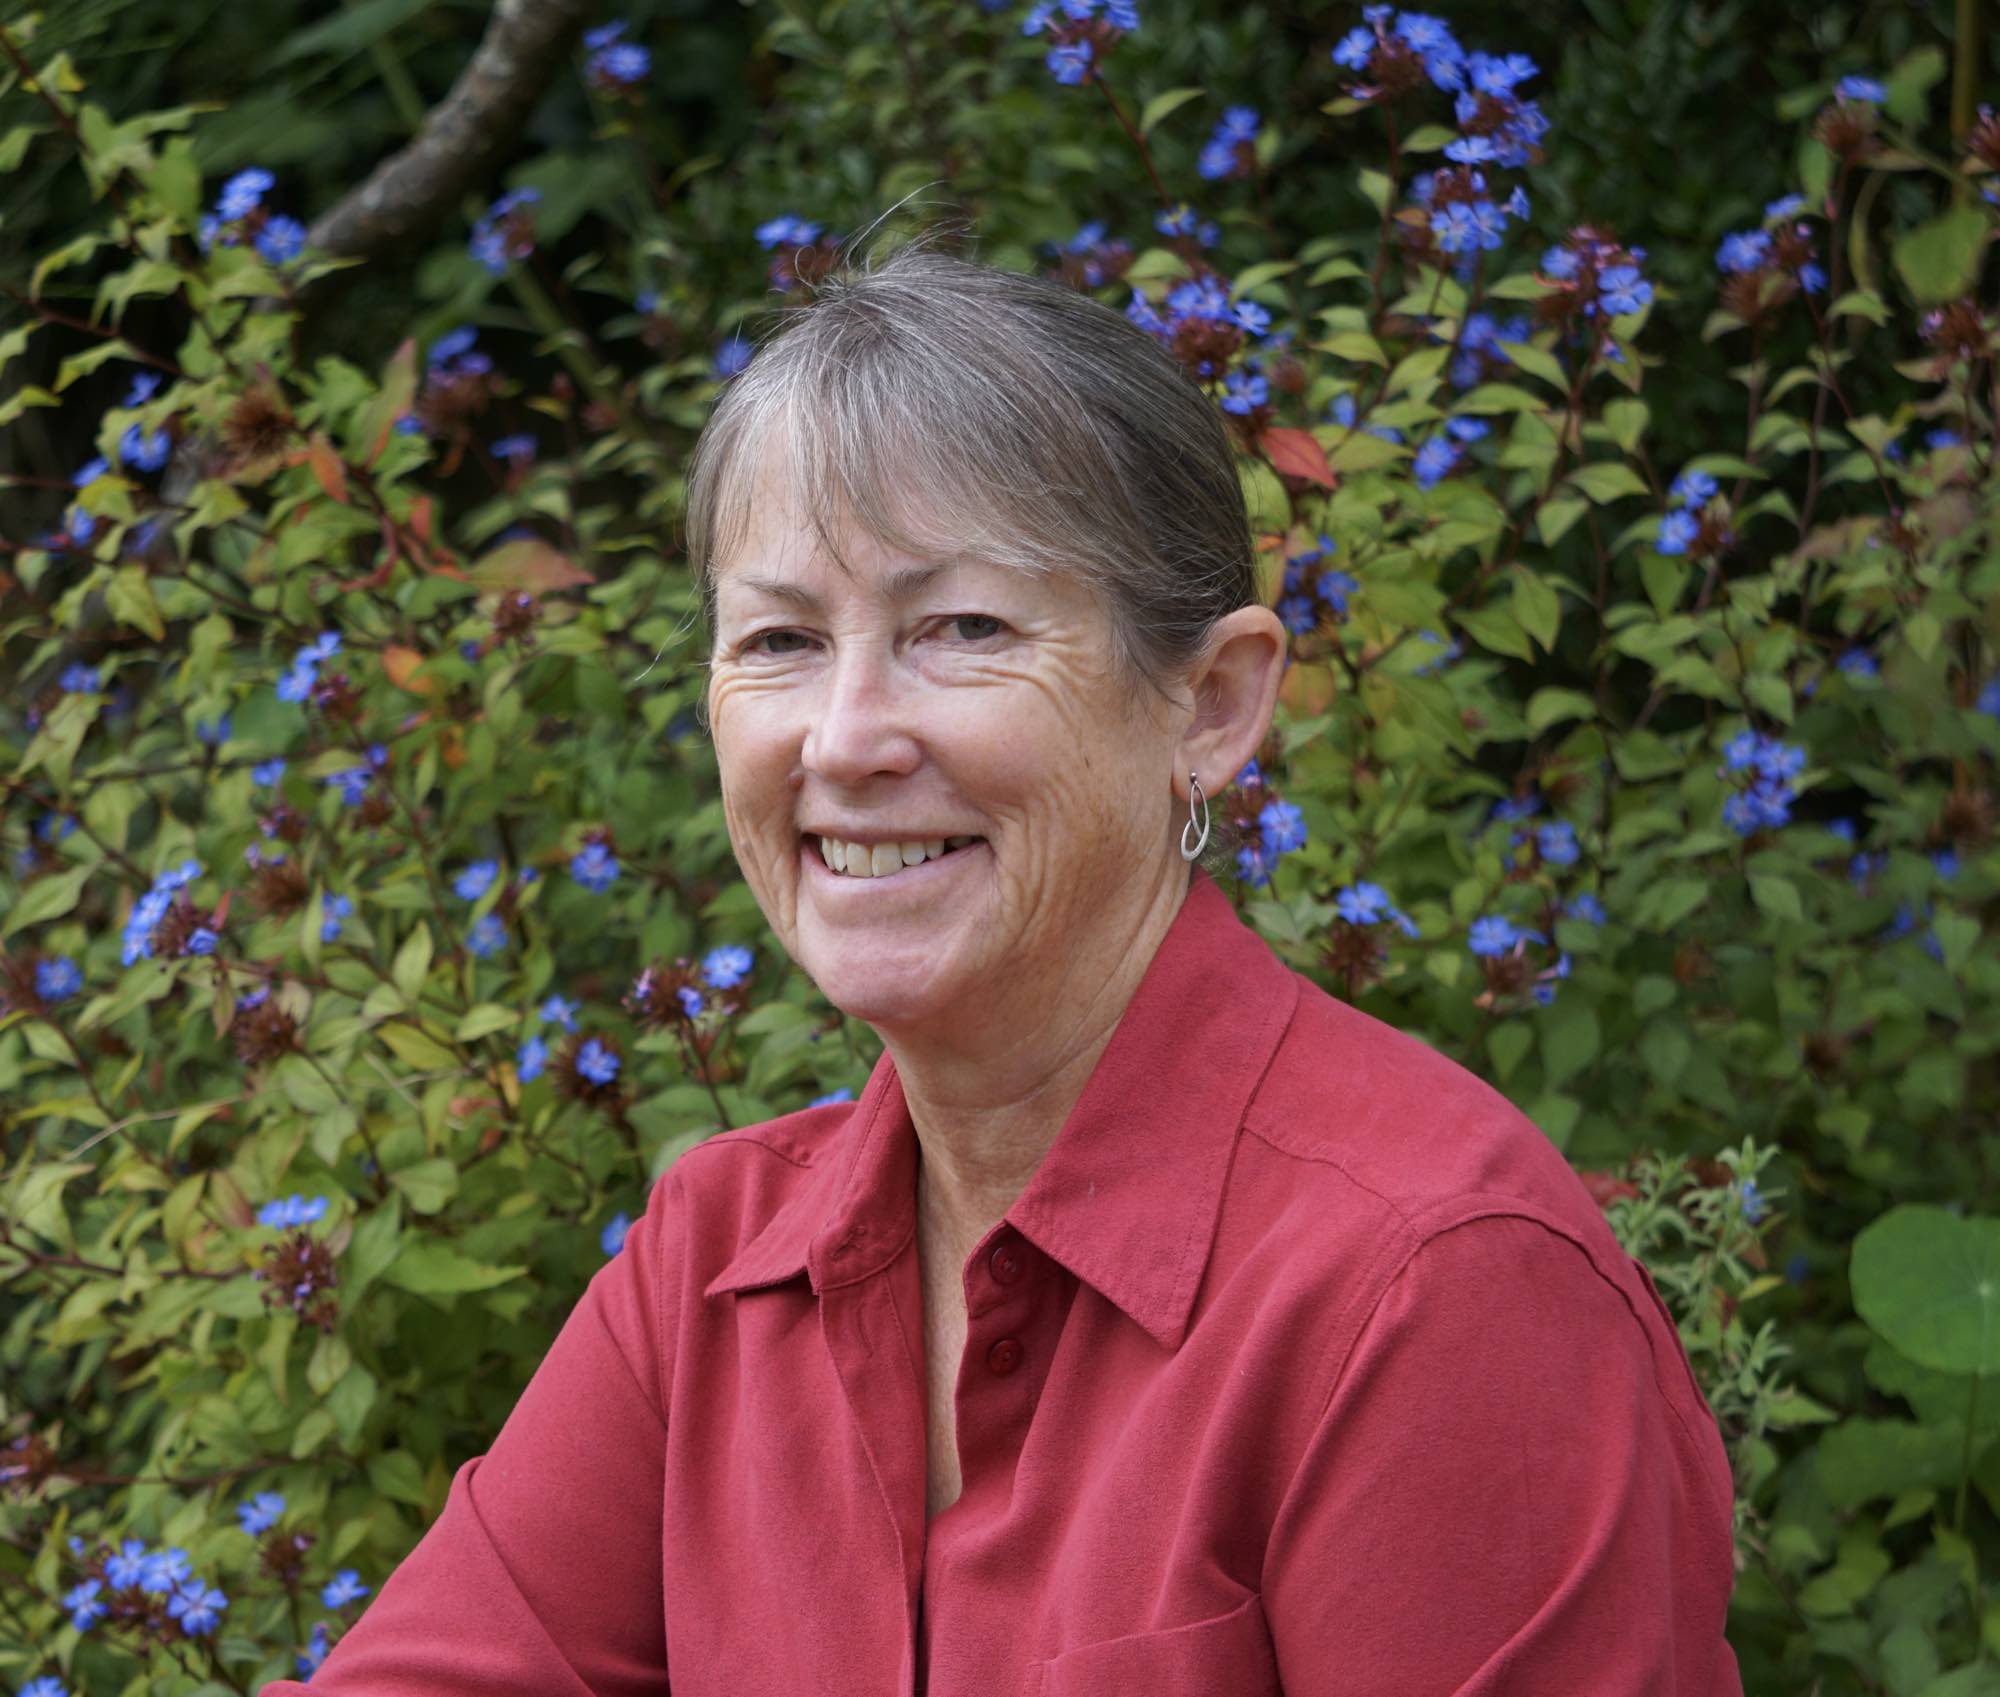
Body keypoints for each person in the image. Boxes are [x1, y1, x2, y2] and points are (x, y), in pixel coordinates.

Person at [260, 234, 1743, 1696]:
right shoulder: (712, 1269)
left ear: (1211, 705)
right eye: (777, 640)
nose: (844, 738)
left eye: (958, 627)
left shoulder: (1430, 1289)